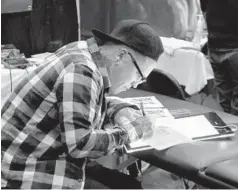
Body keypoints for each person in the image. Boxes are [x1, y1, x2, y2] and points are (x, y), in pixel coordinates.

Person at [1, 19, 164, 189]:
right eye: (139, 75)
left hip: (28, 159)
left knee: (128, 185)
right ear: (121, 56)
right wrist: (133, 130)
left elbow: (78, 101)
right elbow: (81, 144)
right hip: (23, 175)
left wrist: (118, 110)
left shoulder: (82, 50)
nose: (137, 84)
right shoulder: (82, 70)